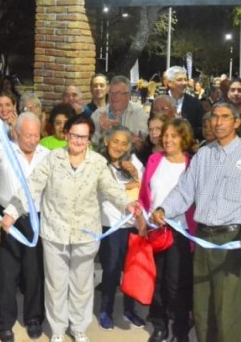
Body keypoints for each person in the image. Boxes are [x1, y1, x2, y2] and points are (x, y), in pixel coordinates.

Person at [4, 115, 140, 342]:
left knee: (81, 285)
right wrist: (11, 213)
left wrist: (127, 203)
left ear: (89, 139)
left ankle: (78, 327)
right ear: (67, 134)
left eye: (83, 137)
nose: (78, 140)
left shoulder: (97, 162)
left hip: (85, 235)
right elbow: (32, 186)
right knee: (56, 285)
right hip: (54, 233)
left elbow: (110, 188)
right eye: (74, 135)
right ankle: (57, 329)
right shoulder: (52, 159)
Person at [150, 102, 241, 342]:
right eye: (215, 117)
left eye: (225, 117)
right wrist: (164, 209)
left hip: (231, 241)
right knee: (202, 306)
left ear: (236, 122)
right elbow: (184, 191)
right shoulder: (204, 154)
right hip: (202, 239)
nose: (218, 122)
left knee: (228, 309)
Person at [0, 113, 50, 342]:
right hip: (8, 219)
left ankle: (33, 318)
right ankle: (4, 322)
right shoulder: (5, 151)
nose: (33, 140)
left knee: (34, 272)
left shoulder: (47, 155)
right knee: (6, 272)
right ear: (16, 133)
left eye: (36, 135)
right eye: (28, 135)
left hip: (36, 218)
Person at [137, 118, 195, 342]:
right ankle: (159, 325)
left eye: (174, 135)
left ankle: (180, 329)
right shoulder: (154, 160)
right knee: (156, 280)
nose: (168, 139)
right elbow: (144, 195)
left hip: (180, 232)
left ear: (184, 139)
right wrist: (142, 219)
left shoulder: (191, 164)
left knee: (176, 284)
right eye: (166, 135)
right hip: (153, 230)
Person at [97, 126, 146, 331]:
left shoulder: (134, 162)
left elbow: (144, 189)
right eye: (115, 141)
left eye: (123, 143)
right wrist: (127, 186)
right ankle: (106, 310)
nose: (118, 146)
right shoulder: (99, 163)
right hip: (109, 224)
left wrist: (136, 176)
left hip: (131, 225)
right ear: (107, 141)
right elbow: (102, 191)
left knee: (131, 269)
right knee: (110, 270)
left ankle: (129, 309)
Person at [90, 75, 148, 151]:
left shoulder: (138, 113)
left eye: (118, 93)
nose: (114, 97)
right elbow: (91, 148)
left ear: (128, 95)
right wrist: (102, 132)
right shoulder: (98, 114)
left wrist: (120, 128)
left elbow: (143, 146)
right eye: (111, 93)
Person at [164, 66, 205, 140]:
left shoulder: (195, 104)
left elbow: (202, 129)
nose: (184, 83)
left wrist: (185, 128)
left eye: (185, 80)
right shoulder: (159, 102)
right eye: (179, 80)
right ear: (169, 83)